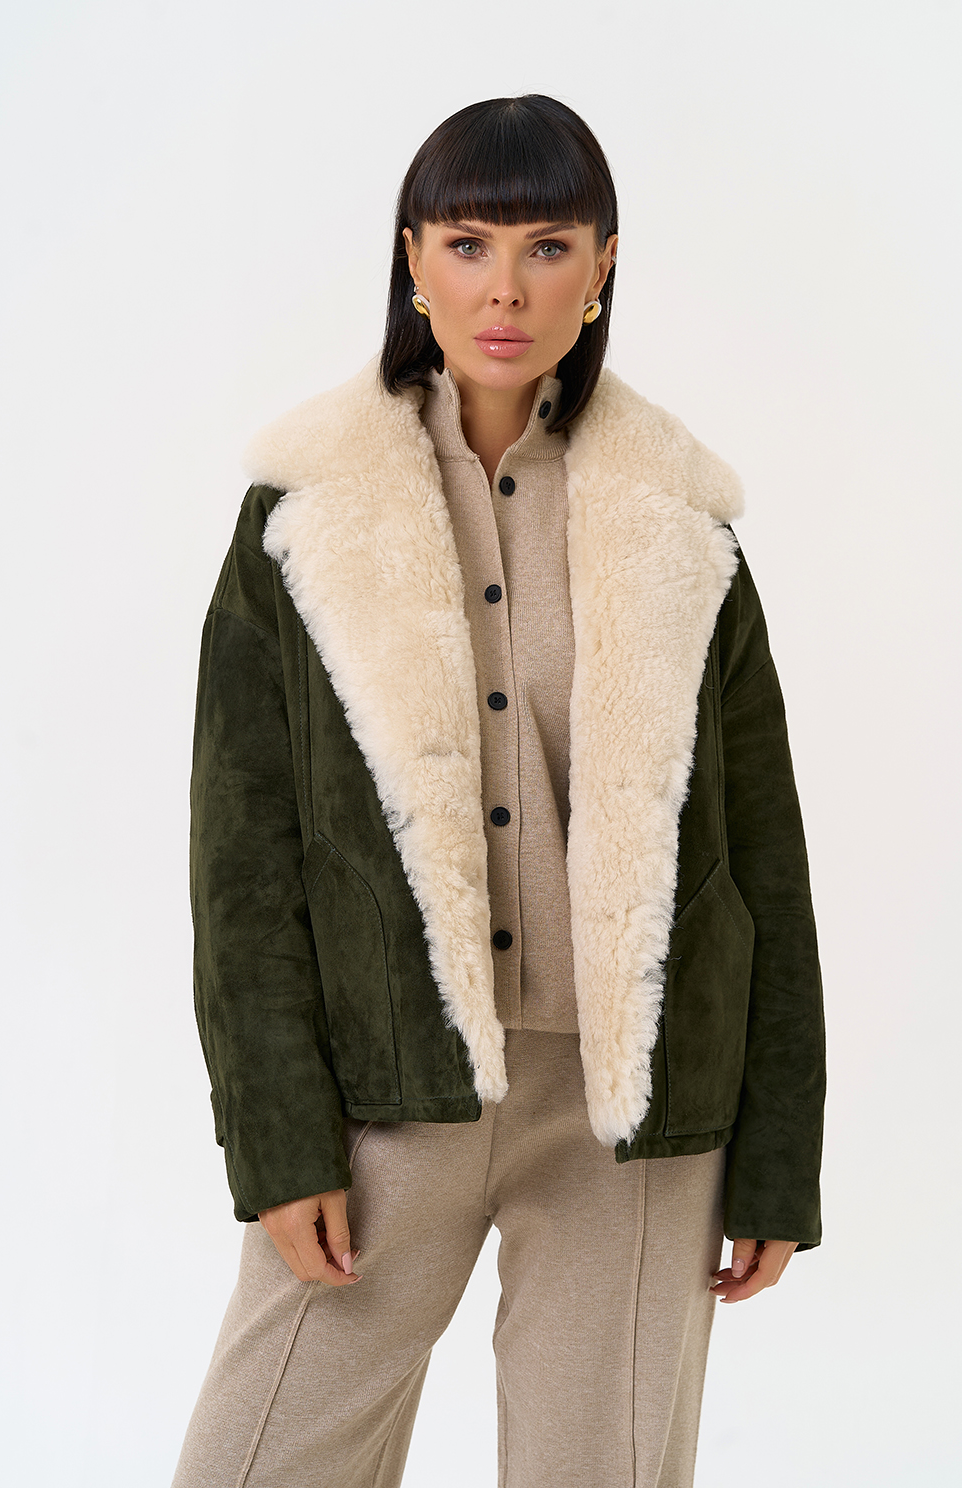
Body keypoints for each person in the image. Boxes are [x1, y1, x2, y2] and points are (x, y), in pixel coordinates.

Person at [171, 94, 826, 1488]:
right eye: (469, 243)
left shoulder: (681, 520)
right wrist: (279, 1137)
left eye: (548, 246)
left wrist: (777, 1155)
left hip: (631, 1104)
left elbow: (763, 858)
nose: (506, 289)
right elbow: (244, 858)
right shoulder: (303, 513)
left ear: (602, 268)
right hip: (388, 1090)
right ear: (413, 259)